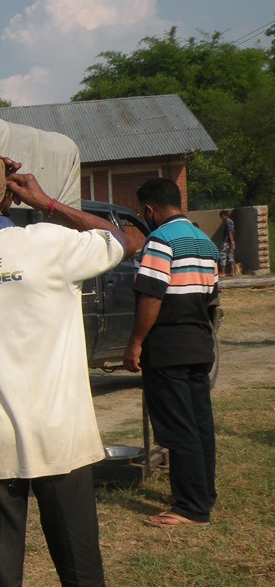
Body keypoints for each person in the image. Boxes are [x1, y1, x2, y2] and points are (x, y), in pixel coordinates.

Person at [0, 146, 135, 587]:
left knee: (0, 573)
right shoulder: (49, 242)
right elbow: (122, 240)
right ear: (7, 198)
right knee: (79, 564)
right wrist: (46, 203)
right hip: (59, 433)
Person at [123, 178, 219, 527]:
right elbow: (210, 295)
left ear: (149, 210)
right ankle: (202, 494)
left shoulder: (159, 241)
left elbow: (151, 295)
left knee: (178, 428)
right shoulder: (205, 242)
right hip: (198, 343)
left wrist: (135, 342)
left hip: (167, 348)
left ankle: (191, 508)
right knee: (199, 424)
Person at [217, 210, 236, 278]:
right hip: (230, 242)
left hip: (226, 242)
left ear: (225, 216)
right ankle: (233, 272)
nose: (221, 218)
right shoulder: (231, 222)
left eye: (222, 217)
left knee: (223, 256)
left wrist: (232, 243)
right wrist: (232, 243)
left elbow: (230, 233)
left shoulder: (227, 222)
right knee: (231, 256)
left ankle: (223, 272)